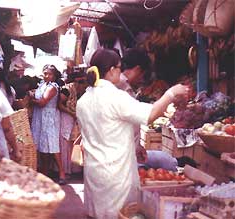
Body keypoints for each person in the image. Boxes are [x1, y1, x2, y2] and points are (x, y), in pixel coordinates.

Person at [76, 48, 189, 219]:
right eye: (119, 68)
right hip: (115, 175)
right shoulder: (115, 97)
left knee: (96, 214)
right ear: (112, 70)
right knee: (118, 214)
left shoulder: (83, 100)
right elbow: (150, 115)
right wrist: (171, 93)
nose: (121, 72)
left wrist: (135, 146)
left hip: (94, 173)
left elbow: (109, 130)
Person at [30, 64, 66, 185]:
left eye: (49, 74)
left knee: (52, 145)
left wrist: (31, 99)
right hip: (40, 117)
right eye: (45, 73)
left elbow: (42, 102)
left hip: (49, 118)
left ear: (54, 76)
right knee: (42, 144)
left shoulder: (53, 87)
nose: (46, 76)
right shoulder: (41, 85)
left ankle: (62, 173)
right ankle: (45, 172)